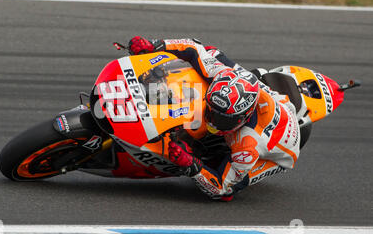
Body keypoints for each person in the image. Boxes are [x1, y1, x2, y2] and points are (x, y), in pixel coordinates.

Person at [128, 36, 301, 201]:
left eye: (222, 120)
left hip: (280, 152)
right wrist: (154, 45)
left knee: (225, 182)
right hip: (274, 100)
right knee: (211, 53)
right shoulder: (222, 75)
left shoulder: (248, 147)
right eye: (211, 111)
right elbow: (193, 46)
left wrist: (191, 165)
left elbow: (221, 188)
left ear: (242, 118)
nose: (212, 121)